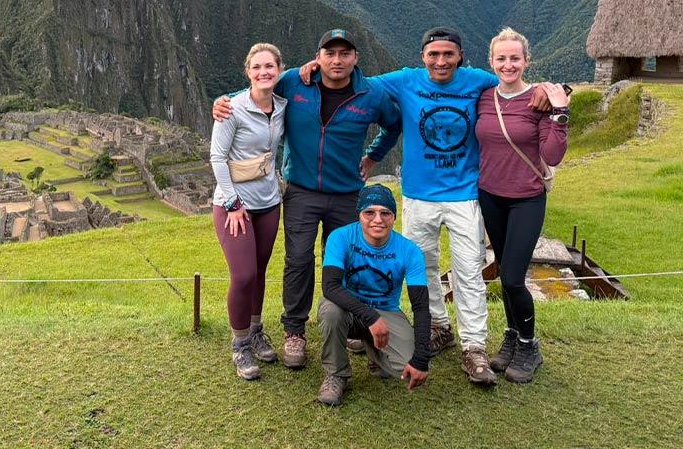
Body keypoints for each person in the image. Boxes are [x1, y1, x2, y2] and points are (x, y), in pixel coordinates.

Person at [299, 27, 552, 385]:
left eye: (449, 54)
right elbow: (358, 79)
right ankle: (438, 325)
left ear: (461, 56)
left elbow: (513, 82)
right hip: (418, 195)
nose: (441, 61)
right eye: (433, 55)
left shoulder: (477, 80)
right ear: (422, 57)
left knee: (468, 270)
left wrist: (546, 90)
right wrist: (314, 67)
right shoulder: (405, 80)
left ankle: (474, 346)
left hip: (464, 193)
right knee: (425, 266)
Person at [212, 29, 402, 369]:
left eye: (345, 53)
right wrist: (225, 100)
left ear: (355, 58)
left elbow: (393, 123)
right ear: (319, 57)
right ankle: (294, 331)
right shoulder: (296, 83)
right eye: (330, 53)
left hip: (345, 191)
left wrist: (372, 157)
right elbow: (259, 88)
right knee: (298, 259)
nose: (337, 60)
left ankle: (351, 326)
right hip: (300, 189)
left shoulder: (370, 94)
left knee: (344, 261)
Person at [476, 27, 569, 383]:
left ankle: (530, 345)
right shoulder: (484, 97)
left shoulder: (540, 101)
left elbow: (552, 154)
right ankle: (512, 337)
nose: (508, 64)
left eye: (515, 58)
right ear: (491, 62)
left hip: (527, 198)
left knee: (514, 278)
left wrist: (559, 112)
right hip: (491, 195)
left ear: (527, 61)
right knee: (503, 272)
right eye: (501, 58)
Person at [210, 43, 288, 380]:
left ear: (279, 69)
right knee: (242, 276)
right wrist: (233, 204)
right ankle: (240, 343)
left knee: (259, 271)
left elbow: (310, 73)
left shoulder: (282, 105)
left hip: (269, 202)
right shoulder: (231, 109)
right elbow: (216, 158)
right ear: (248, 72)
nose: (264, 72)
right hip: (234, 206)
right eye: (257, 67)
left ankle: (256, 331)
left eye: (269, 66)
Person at [317, 184, 430, 405]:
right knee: (331, 311)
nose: (377, 219)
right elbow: (330, 286)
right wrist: (371, 317)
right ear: (359, 215)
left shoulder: (410, 250)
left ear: (394, 217)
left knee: (406, 365)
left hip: (386, 310)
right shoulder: (340, 237)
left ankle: (374, 352)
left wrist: (421, 359)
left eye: (385, 213)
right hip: (346, 308)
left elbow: (421, 307)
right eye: (369, 212)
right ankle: (336, 374)